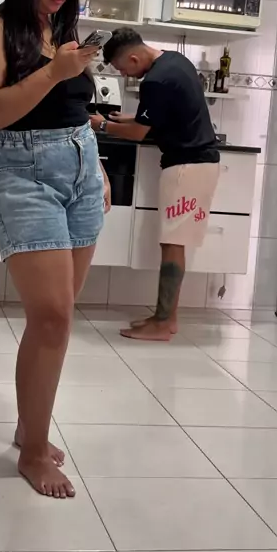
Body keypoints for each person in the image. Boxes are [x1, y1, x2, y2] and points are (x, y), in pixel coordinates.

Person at [0, 0, 110, 499]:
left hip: (81, 167)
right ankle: (33, 451)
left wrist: (97, 168)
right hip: (19, 169)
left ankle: (29, 429)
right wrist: (54, 71)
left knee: (57, 318)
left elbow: (77, 109)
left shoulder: (65, 28)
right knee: (52, 316)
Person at [90, 27, 220, 341]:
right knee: (172, 241)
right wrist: (126, 118)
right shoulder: (175, 61)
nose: (125, 74)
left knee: (173, 243)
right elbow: (158, 117)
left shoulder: (155, 80)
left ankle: (164, 323)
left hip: (187, 167)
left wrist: (102, 125)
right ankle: (165, 318)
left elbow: (139, 134)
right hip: (197, 163)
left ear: (134, 58)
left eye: (122, 69)